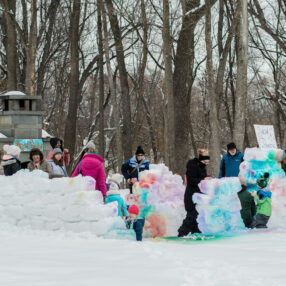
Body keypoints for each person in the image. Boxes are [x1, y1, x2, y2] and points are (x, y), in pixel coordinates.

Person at [178, 149, 211, 237]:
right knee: (192, 216)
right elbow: (191, 180)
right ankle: (182, 233)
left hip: (199, 196)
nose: (206, 163)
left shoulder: (202, 167)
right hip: (191, 196)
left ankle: (196, 233)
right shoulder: (192, 165)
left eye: (207, 162)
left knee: (198, 216)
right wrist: (203, 179)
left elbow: (201, 179)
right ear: (201, 159)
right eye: (205, 161)